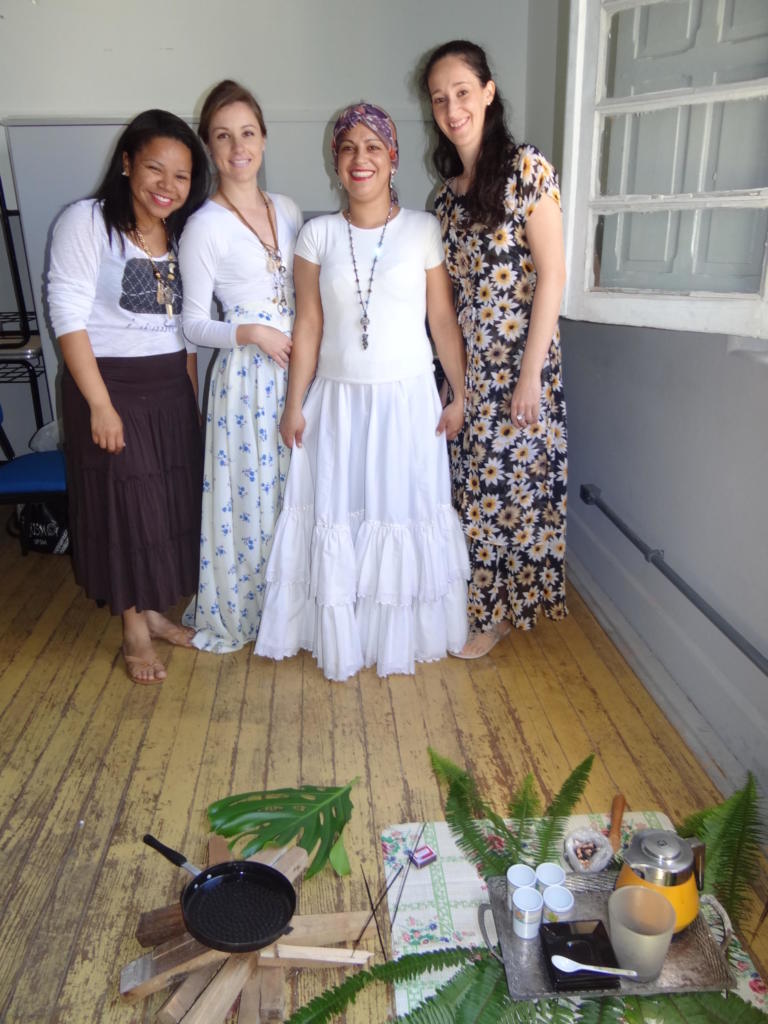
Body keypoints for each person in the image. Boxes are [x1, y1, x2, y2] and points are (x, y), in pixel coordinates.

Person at [255, 103, 469, 681]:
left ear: (393, 159)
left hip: (406, 402)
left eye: (373, 146)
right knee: (341, 517)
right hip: (339, 406)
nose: (360, 158)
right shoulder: (317, 236)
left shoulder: (424, 229)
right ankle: (338, 634)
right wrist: (294, 404)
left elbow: (442, 319)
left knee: (398, 514)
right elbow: (308, 325)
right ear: (335, 161)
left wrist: (460, 393)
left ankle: (399, 636)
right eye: (348, 147)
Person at [47, 110, 209, 683]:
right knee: (126, 509)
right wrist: (98, 404)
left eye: (182, 176)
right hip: (110, 384)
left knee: (166, 504)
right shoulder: (87, 222)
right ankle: (133, 630)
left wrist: (190, 397)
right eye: (154, 169)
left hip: (168, 386)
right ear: (125, 164)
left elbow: (187, 328)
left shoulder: (183, 236)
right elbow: (67, 315)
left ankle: (155, 614)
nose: (167, 186)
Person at [422, 40, 568, 658]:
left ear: (487, 92)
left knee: (515, 491)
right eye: (439, 99)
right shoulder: (444, 200)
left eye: (462, 92)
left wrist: (531, 373)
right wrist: (455, 384)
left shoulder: (527, 169)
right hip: (470, 365)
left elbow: (553, 273)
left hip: (524, 360)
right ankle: (481, 606)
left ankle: (498, 615)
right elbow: (444, 308)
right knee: (473, 489)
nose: (452, 108)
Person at [179, 81, 303, 652]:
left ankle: (296, 611)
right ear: (209, 146)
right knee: (251, 503)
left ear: (264, 139)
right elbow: (192, 325)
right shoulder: (204, 224)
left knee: (297, 494)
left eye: (247, 133)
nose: (238, 148)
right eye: (224, 137)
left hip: (298, 375)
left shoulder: (288, 209)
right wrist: (250, 331)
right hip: (247, 381)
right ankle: (248, 612)